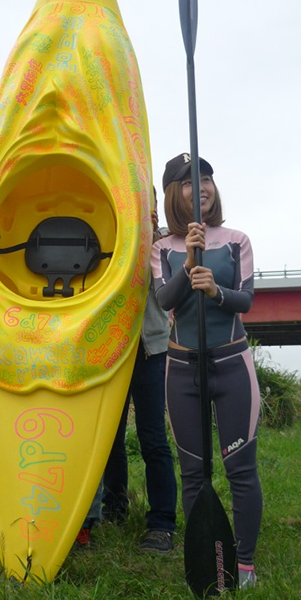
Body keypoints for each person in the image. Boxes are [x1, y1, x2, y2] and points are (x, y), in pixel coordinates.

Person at [151, 154, 262, 587]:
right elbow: (165, 301)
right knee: (193, 473)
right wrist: (190, 254)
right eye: (187, 182)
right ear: (172, 194)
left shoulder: (236, 240)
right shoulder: (161, 248)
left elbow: (246, 301)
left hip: (232, 364)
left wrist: (216, 290)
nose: (200, 187)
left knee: (241, 470)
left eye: (207, 179)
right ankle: (204, 561)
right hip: (182, 371)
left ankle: (246, 565)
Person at [101, 191, 177, 553]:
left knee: (153, 437)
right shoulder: (106, 233)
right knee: (108, 438)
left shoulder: (162, 241)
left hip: (150, 349)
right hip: (109, 352)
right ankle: (113, 508)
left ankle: (162, 522)